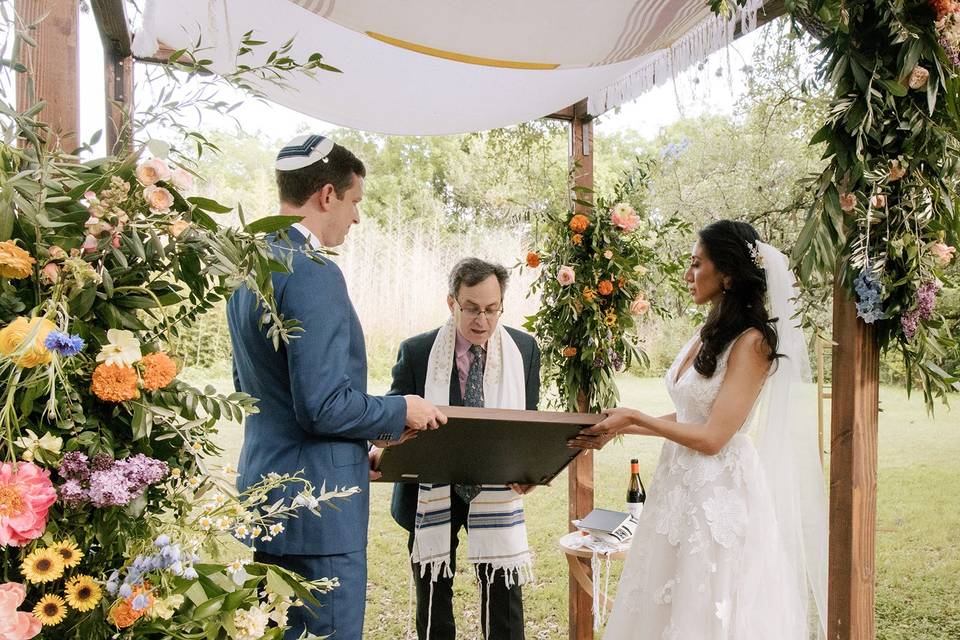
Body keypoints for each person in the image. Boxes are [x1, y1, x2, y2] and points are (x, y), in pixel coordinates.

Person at [226, 134, 446, 640]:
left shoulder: (251, 265)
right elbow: (322, 406)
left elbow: (259, 390)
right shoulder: (312, 272)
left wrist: (353, 452)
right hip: (318, 510)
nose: (356, 217)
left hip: (270, 496)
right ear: (327, 195)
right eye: (354, 202)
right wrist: (400, 410)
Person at [570, 220, 827, 639]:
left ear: (726, 273)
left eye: (696, 264)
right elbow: (692, 416)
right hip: (677, 484)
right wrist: (625, 427)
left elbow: (713, 437)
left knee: (707, 602)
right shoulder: (708, 331)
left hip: (717, 492)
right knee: (663, 597)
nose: (688, 275)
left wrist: (636, 417)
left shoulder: (752, 343)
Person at [382, 258, 540, 640]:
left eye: (491, 309)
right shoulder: (417, 351)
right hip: (430, 491)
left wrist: (530, 471)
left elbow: (529, 424)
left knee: (504, 594)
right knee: (433, 596)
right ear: (451, 302)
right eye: (471, 308)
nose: (481, 321)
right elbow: (390, 418)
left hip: (497, 490)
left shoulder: (524, 349)